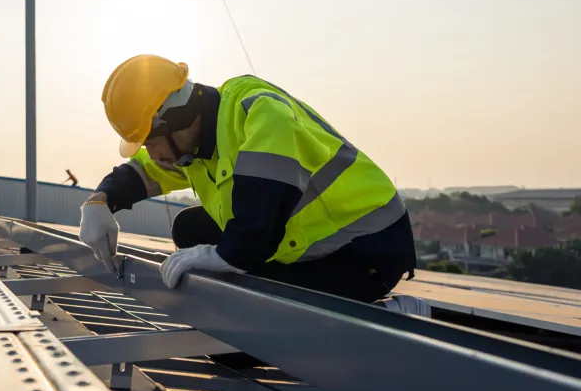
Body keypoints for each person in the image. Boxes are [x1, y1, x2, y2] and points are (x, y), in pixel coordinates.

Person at [79, 54, 429, 315]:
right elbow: (141, 174)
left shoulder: (255, 110)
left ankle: (389, 318)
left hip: (363, 248)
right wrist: (100, 201)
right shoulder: (195, 142)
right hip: (302, 239)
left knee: (239, 342)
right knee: (190, 229)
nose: (151, 154)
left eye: (150, 142)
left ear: (176, 118)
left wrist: (225, 255)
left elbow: (262, 201)